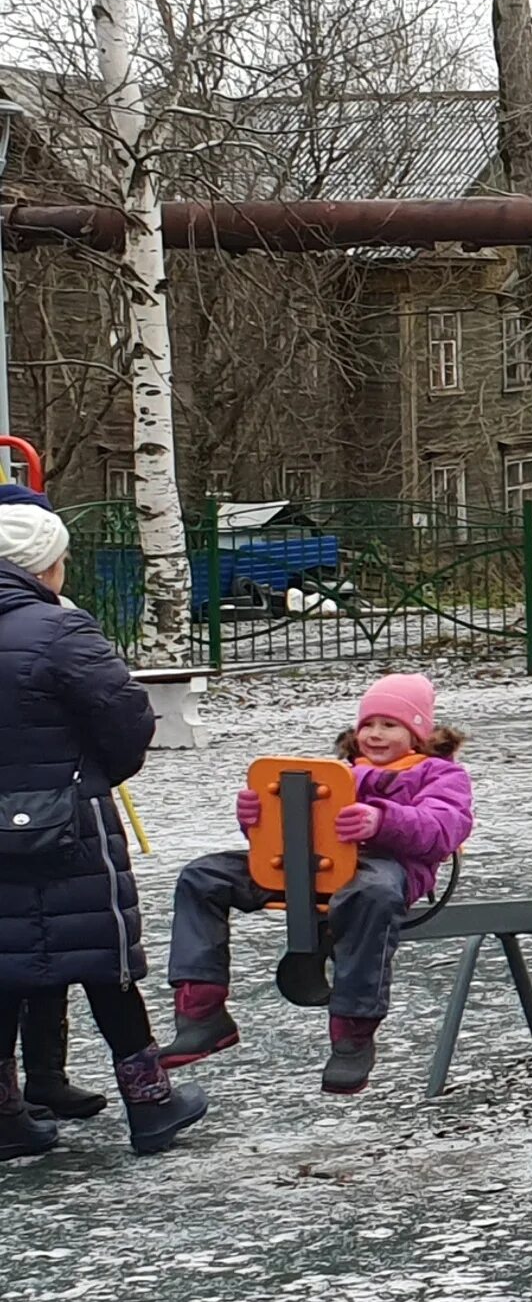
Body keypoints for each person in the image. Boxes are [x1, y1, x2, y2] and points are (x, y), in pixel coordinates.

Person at [0, 481, 207, 1158]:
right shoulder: (60, 628)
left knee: (4, 963)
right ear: (44, 564)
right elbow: (127, 719)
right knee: (104, 960)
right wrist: (95, 775)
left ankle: (6, 1116)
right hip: (69, 821)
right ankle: (150, 1103)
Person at [164, 673, 474, 1094]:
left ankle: (353, 1035)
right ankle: (202, 1012)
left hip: (384, 866)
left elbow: (444, 827)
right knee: (203, 876)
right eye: (368, 724)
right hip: (306, 866)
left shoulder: (438, 775)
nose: (375, 734)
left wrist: (382, 821)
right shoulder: (338, 774)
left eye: (390, 725)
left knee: (372, 895)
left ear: (419, 733)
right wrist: (256, 817)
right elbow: (290, 829)